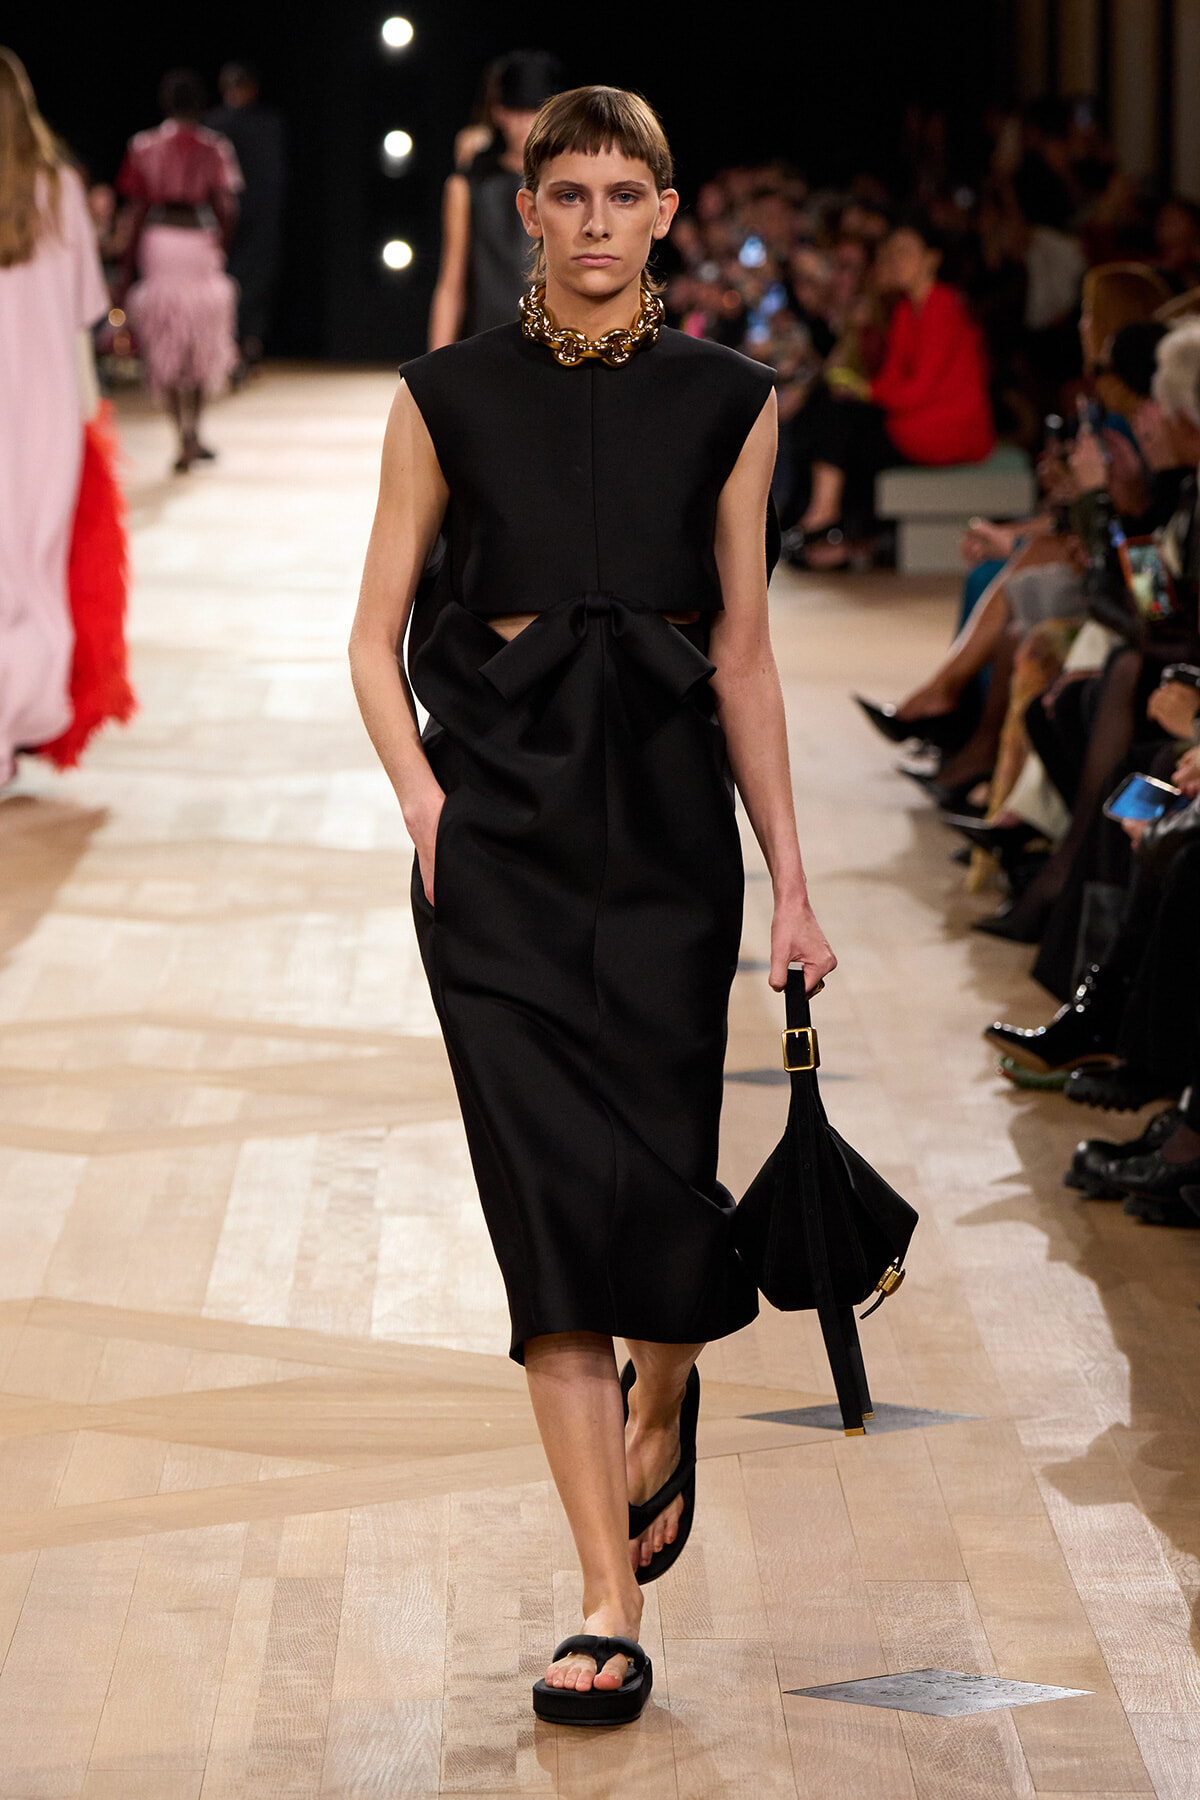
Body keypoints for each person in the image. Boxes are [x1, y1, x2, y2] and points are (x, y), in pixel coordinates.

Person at [350, 84, 835, 1724]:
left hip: (667, 843)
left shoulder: (730, 400)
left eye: (629, 192)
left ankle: (669, 1387)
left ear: (666, 211)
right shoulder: (444, 395)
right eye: (572, 192)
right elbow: (371, 633)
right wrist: (425, 799)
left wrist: (796, 886)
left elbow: (750, 653)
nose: (600, 220)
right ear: (533, 212)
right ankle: (606, 1601)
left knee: (659, 1186)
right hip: (497, 848)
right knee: (551, 1228)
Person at [0, 46, 130, 784]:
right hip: (44, 408)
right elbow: (86, 309)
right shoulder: (59, 189)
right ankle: (21, 717)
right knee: (34, 570)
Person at [794, 213, 995, 567]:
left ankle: (832, 525)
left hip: (949, 427)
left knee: (849, 428)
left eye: (905, 252)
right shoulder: (906, 310)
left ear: (932, 258)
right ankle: (832, 527)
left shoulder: (943, 306)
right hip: (918, 418)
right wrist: (861, 389)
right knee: (836, 411)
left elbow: (917, 389)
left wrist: (865, 391)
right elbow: (891, 379)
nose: (896, 262)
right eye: (892, 254)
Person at [116, 69, 241, 472]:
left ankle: (180, 436)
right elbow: (227, 207)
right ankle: (195, 431)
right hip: (197, 241)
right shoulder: (214, 147)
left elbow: (135, 212)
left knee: (166, 340)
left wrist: (126, 270)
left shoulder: (144, 145)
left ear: (167, 104)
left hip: (162, 242)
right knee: (202, 341)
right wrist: (220, 243)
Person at [427, 49, 561, 347]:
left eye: (535, 111)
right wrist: (432, 370)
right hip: (486, 343)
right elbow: (451, 284)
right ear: (499, 112)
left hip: (554, 344)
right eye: (516, 111)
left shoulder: (567, 184)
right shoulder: (468, 184)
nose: (526, 122)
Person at [205, 60, 286, 372]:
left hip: (226, 218)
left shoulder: (213, 124)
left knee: (236, 280)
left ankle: (236, 347)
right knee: (249, 281)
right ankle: (244, 345)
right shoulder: (267, 124)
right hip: (254, 216)